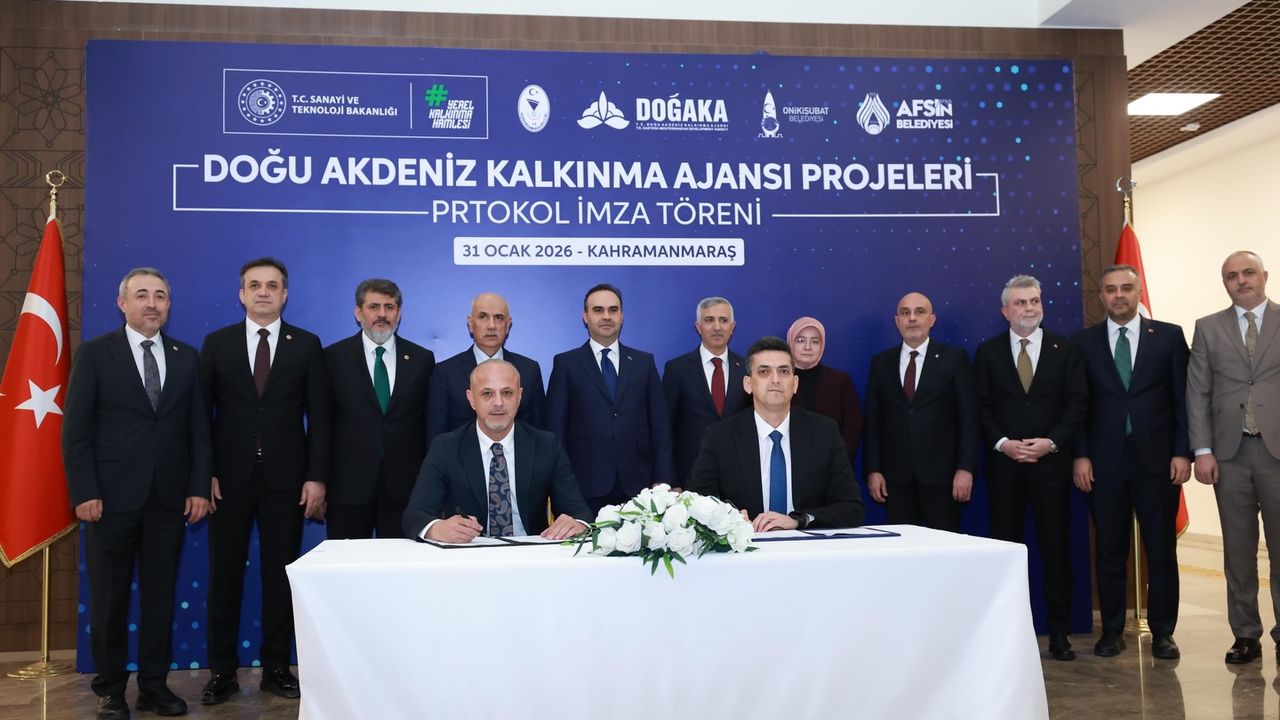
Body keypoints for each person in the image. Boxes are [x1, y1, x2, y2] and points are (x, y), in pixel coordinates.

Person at [62, 268, 211, 719]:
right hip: (109, 500)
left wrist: (198, 487)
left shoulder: (187, 357)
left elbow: (199, 431)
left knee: (159, 598)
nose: (152, 303)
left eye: (160, 296)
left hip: (168, 499)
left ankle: (153, 686)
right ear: (122, 303)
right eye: (142, 295)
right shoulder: (95, 354)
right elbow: (76, 432)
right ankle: (110, 690)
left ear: (168, 305)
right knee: (109, 600)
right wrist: (85, 490)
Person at [198, 258, 330, 704]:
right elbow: (200, 417)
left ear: (284, 294)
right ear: (241, 294)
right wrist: (204, 472)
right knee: (224, 578)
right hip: (228, 481)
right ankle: (222, 671)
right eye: (254, 285)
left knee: (280, 577)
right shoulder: (217, 344)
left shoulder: (306, 345)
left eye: (272, 285)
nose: (263, 292)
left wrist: (316, 477)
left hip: (286, 482)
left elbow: (321, 418)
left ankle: (276, 667)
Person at [1071, 264, 1190, 660]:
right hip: (1104, 464)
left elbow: (1182, 399)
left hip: (1158, 462)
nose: (1118, 295)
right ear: (1101, 296)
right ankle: (1112, 631)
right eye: (1111, 289)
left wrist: (1182, 451)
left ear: (1139, 292)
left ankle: (1163, 632)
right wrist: (1081, 455)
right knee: (1109, 551)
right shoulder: (1083, 342)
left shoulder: (1169, 337)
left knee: (1161, 551)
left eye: (1126, 288)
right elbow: (1078, 406)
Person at [973, 274, 1087, 661]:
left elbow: (1076, 404)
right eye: (1020, 302)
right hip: (1004, 468)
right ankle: (1007, 632)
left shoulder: (1064, 349)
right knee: (1006, 551)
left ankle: (1059, 633)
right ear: (1005, 311)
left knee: (1056, 549)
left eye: (1034, 301)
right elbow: (980, 406)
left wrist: (1051, 442)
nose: (1029, 308)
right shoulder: (987, 352)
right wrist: (1003, 443)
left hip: (1050, 465)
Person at [1187, 250, 1280, 665]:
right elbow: (1198, 392)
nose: (1241, 280)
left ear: (1264, 275)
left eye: (1248, 273)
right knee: (1238, 551)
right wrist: (1202, 451)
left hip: (1277, 453)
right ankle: (1245, 634)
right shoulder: (1208, 328)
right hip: (1230, 455)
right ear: (1224, 283)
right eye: (1231, 276)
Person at [687, 336, 864, 530]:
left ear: (795, 384)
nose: (775, 380)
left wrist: (799, 520)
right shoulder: (720, 437)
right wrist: (730, 520)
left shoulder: (824, 432)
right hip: (747, 545)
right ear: (748, 384)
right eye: (764, 372)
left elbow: (852, 507)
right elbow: (696, 502)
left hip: (806, 545)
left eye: (784, 371)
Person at [404, 360, 592, 542]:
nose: (498, 403)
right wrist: (437, 529)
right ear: (471, 399)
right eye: (487, 394)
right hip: (469, 552)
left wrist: (577, 524)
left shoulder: (546, 445)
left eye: (507, 393)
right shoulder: (446, 447)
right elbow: (415, 515)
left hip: (530, 552)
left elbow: (579, 512)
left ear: (519, 396)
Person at [546, 283, 674, 512]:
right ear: (585, 317)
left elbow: (660, 428)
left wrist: (663, 481)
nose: (606, 316)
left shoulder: (644, 363)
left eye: (613, 310)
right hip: (584, 488)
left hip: (640, 489)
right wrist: (563, 488)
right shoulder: (566, 364)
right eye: (598, 310)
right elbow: (556, 432)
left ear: (622, 316)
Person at [324, 279, 435, 539]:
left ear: (399, 313)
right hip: (348, 486)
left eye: (389, 307)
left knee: (401, 563)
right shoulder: (333, 357)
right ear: (358, 312)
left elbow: (428, 423)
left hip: (406, 487)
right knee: (347, 562)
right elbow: (322, 423)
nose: (382, 314)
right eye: (374, 307)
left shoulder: (422, 359)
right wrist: (318, 479)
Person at [863, 292, 978, 532]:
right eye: (905, 313)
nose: (912, 318)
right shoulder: (881, 363)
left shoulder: (954, 359)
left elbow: (968, 419)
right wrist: (873, 470)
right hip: (896, 479)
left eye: (920, 312)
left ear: (932, 319)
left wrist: (965, 468)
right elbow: (873, 421)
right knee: (903, 547)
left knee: (944, 547)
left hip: (944, 477)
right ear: (897, 321)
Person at [427, 292, 544, 446]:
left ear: (508, 324)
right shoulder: (445, 373)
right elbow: (436, 438)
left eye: (499, 318)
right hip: (462, 459)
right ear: (470, 323)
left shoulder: (529, 370)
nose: (491, 326)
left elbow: (540, 434)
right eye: (483, 317)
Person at [662, 296, 748, 487]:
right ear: (698, 327)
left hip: (739, 474)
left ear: (732, 327)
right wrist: (669, 481)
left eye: (723, 320)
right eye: (709, 320)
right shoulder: (677, 369)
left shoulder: (747, 368)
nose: (717, 327)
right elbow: (665, 429)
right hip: (689, 475)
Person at [786, 316, 863, 463]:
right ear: (790, 342)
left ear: (822, 345)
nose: (808, 347)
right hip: (787, 465)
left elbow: (853, 427)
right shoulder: (778, 380)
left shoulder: (840, 381)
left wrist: (837, 460)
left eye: (815, 341)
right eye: (800, 340)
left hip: (832, 465)